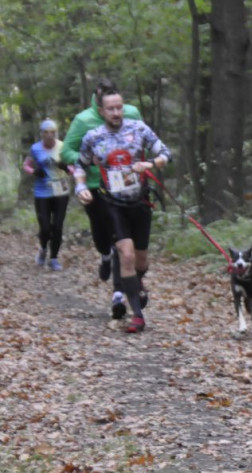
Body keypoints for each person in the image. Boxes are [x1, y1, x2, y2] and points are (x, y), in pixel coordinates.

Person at [73, 87, 171, 334]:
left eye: (119, 107)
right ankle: (137, 315)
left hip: (139, 202)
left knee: (140, 259)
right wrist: (81, 187)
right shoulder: (93, 137)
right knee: (125, 255)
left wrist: (149, 163)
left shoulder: (138, 129)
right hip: (112, 203)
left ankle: (137, 281)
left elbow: (165, 154)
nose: (116, 112)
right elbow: (79, 165)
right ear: (101, 110)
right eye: (111, 109)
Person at [62, 78, 144, 317]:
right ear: (98, 103)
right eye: (104, 101)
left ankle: (119, 293)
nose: (115, 111)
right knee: (102, 236)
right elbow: (66, 151)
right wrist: (89, 157)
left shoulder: (131, 113)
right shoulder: (84, 120)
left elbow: (144, 142)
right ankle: (104, 255)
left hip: (126, 186)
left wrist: (145, 161)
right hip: (96, 186)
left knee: (123, 240)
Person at [23, 119, 71, 271]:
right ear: (42, 134)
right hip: (42, 192)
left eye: (52, 132)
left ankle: (54, 258)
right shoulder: (35, 148)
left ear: (55, 133)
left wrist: (67, 168)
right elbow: (26, 165)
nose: (49, 135)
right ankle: (43, 249)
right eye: (46, 132)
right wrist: (34, 171)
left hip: (61, 191)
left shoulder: (63, 147)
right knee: (44, 227)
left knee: (57, 226)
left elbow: (74, 168)